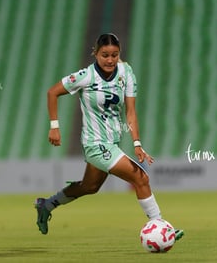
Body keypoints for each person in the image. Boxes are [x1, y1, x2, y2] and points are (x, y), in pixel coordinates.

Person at [34, 33, 184, 241]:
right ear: (95, 53)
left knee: (90, 187)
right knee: (141, 178)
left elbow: (130, 112)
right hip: (95, 145)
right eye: (105, 55)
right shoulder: (85, 76)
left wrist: (137, 143)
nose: (110, 60)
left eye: (114, 55)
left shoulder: (126, 72)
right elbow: (52, 92)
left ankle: (47, 204)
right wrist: (54, 126)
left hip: (111, 143)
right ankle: (162, 227)